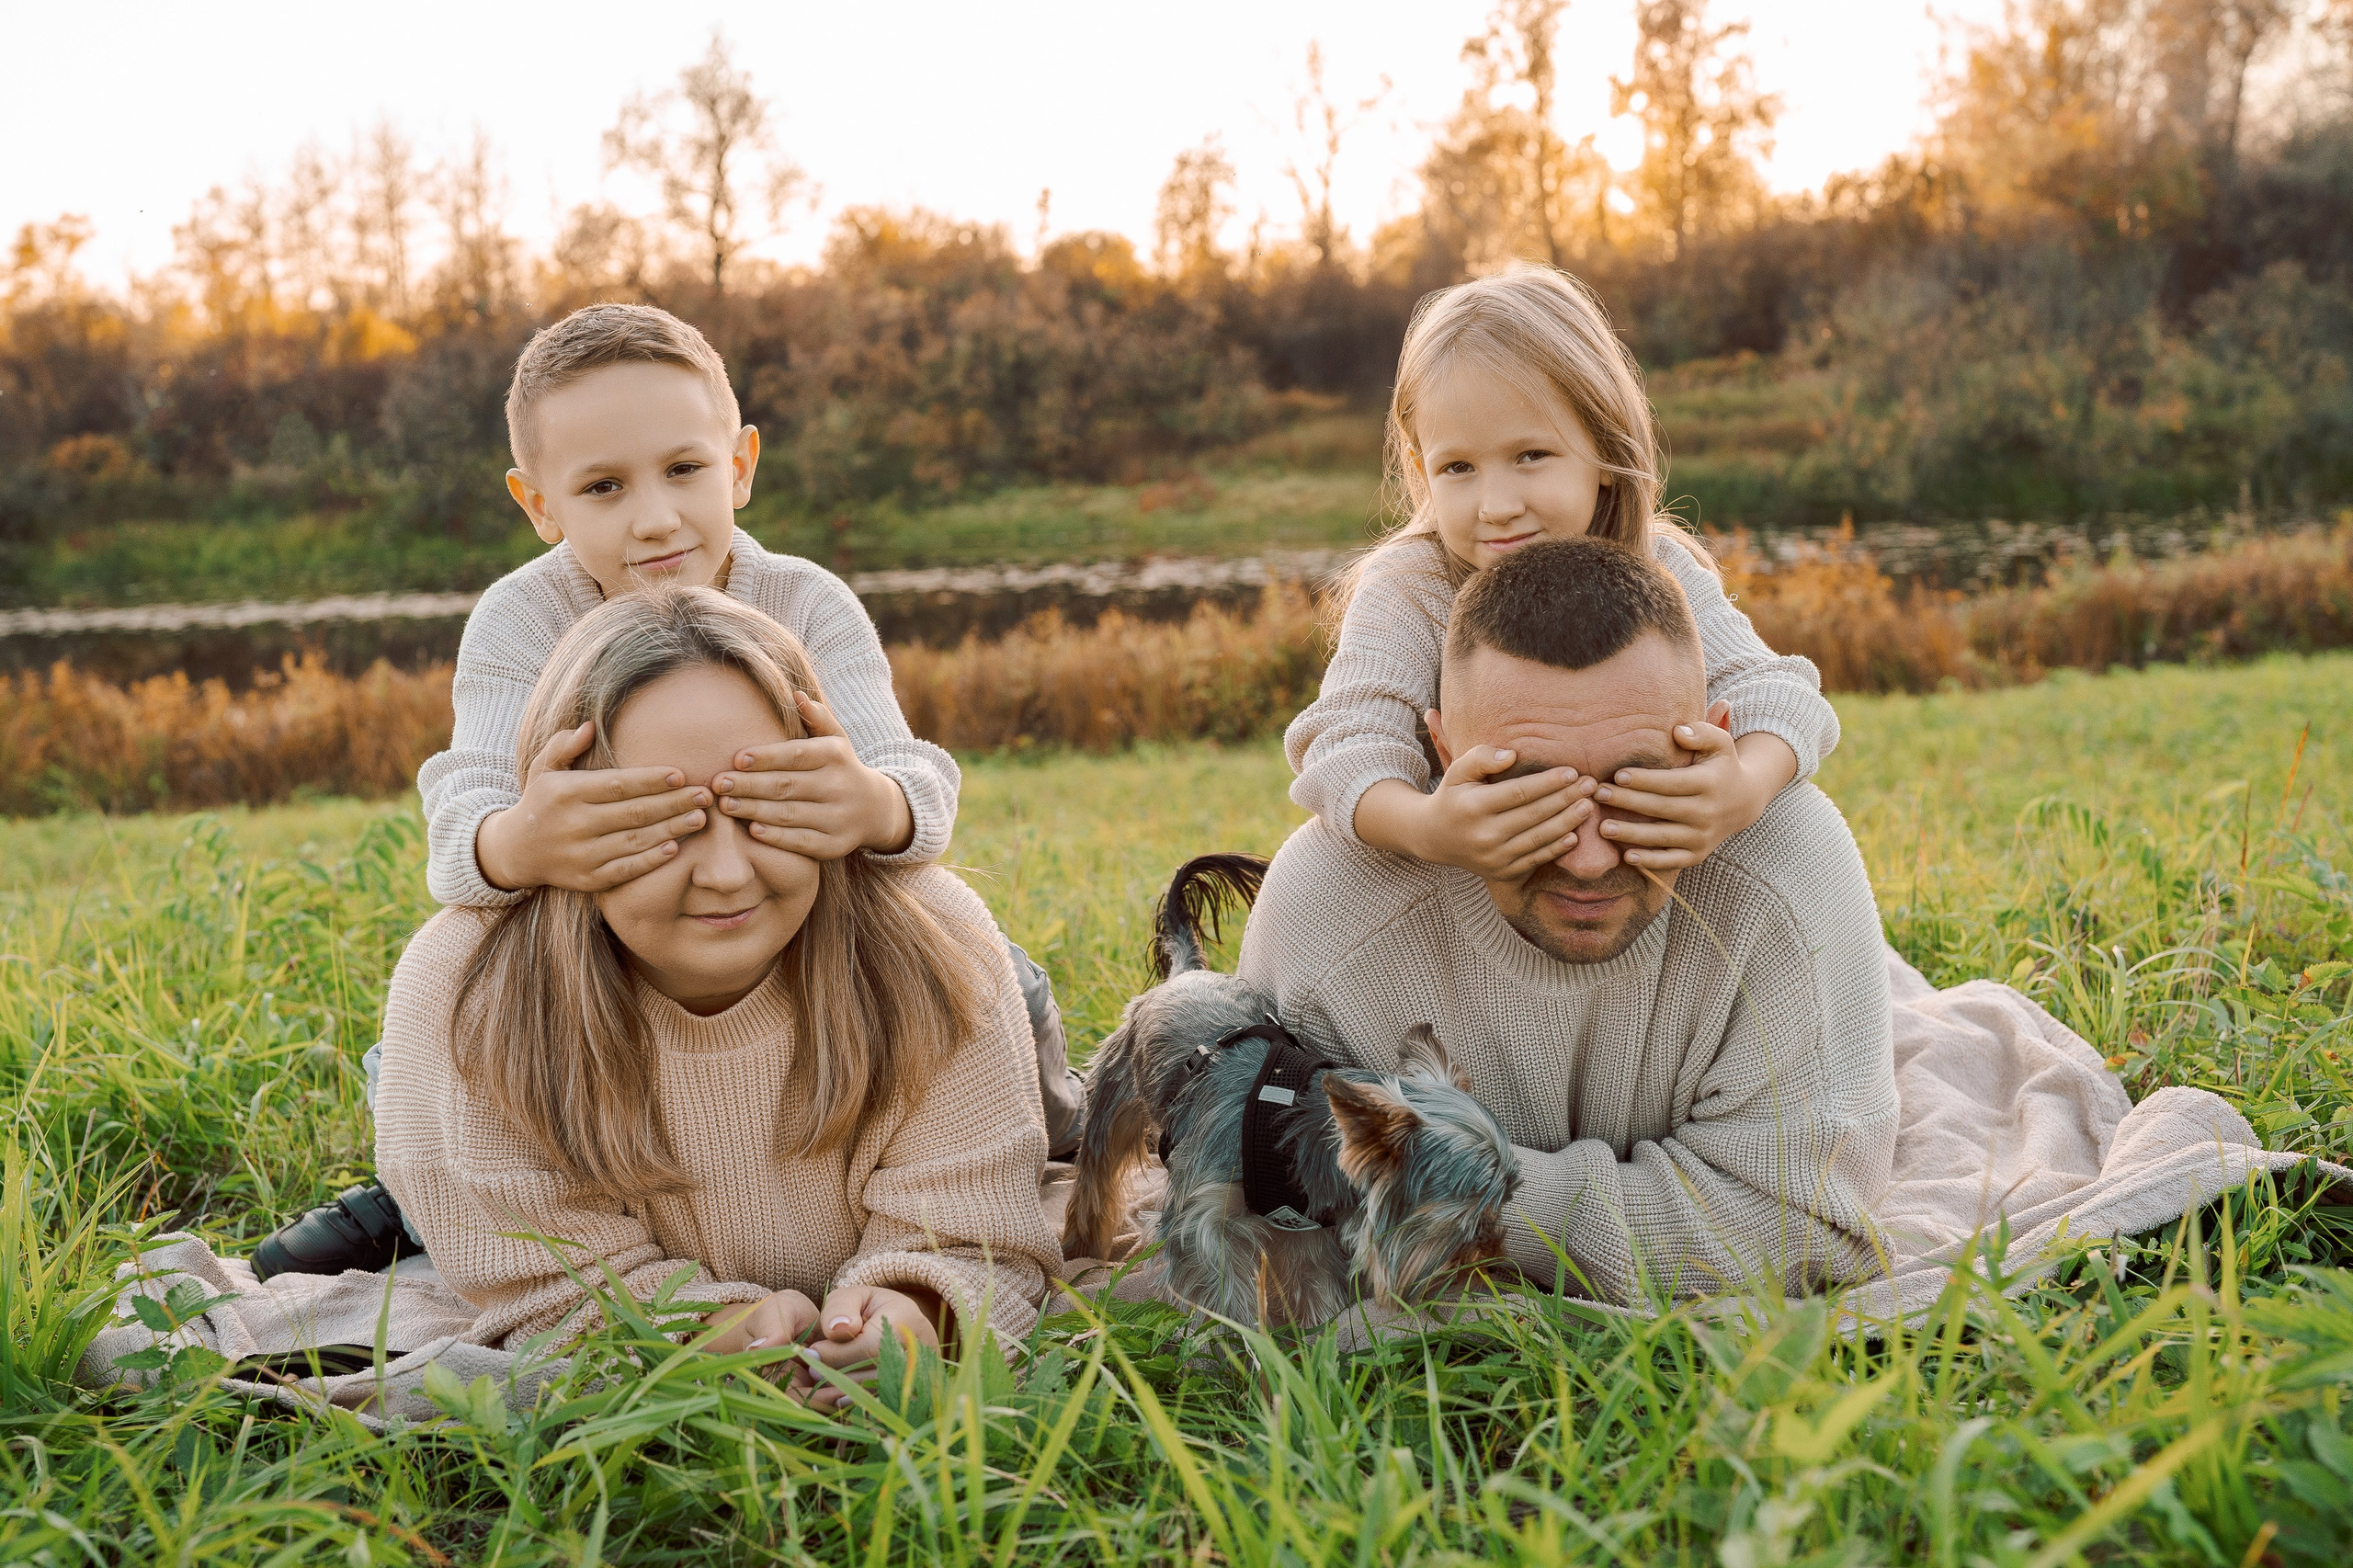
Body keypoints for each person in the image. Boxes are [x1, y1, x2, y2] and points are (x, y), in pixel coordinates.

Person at [257, 305, 1082, 1278]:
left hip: (815, 944)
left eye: (684, 470)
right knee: (445, 1022)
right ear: (540, 504)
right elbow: (458, 828)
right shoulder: (520, 621)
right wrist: (520, 841)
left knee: (979, 970)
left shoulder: (806, 601)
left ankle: (1027, 1131)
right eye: (603, 486)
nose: (655, 516)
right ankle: (425, 1190)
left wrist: (873, 806)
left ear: (739, 463)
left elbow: (914, 777)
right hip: (609, 952)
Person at [372, 586, 1060, 1403]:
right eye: (663, 823)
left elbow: (976, 1225)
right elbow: (540, 1281)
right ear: (562, 820)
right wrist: (704, 1334)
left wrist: (916, 1313)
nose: (727, 873)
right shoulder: (466, 989)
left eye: (767, 807)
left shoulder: (932, 939)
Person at [1239, 537, 1898, 1303]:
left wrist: (1458, 1195)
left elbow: (1807, 1228)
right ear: (1441, 745)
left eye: (1637, 788)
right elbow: (1266, 1210)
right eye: (1528, 797)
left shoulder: (1785, 870)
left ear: (1713, 737)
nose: (1588, 860)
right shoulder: (1328, 917)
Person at [1289, 265, 1838, 893]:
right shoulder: (1410, 588)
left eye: (1530, 456)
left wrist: (1744, 788)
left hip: (1629, 881)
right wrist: (1426, 824)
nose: (1495, 503)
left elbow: (1780, 693)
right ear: (1420, 467)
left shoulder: (1658, 566)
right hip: (1464, 900)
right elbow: (1342, 743)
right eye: (1458, 467)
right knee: (1337, 852)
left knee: (1790, 813)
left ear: (1604, 447)